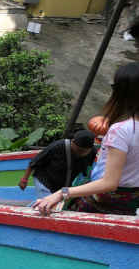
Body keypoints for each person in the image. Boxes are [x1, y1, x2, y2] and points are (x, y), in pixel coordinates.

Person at [33, 62, 139, 216]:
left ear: (121, 92)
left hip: (102, 201)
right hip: (129, 204)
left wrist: (61, 193)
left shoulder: (122, 130)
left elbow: (109, 183)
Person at [20, 130, 97, 197]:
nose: (80, 153)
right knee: (47, 206)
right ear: (72, 142)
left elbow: (89, 170)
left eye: (84, 151)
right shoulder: (57, 146)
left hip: (64, 185)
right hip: (44, 181)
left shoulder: (92, 152)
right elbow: (34, 162)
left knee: (60, 206)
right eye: (78, 150)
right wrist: (24, 180)